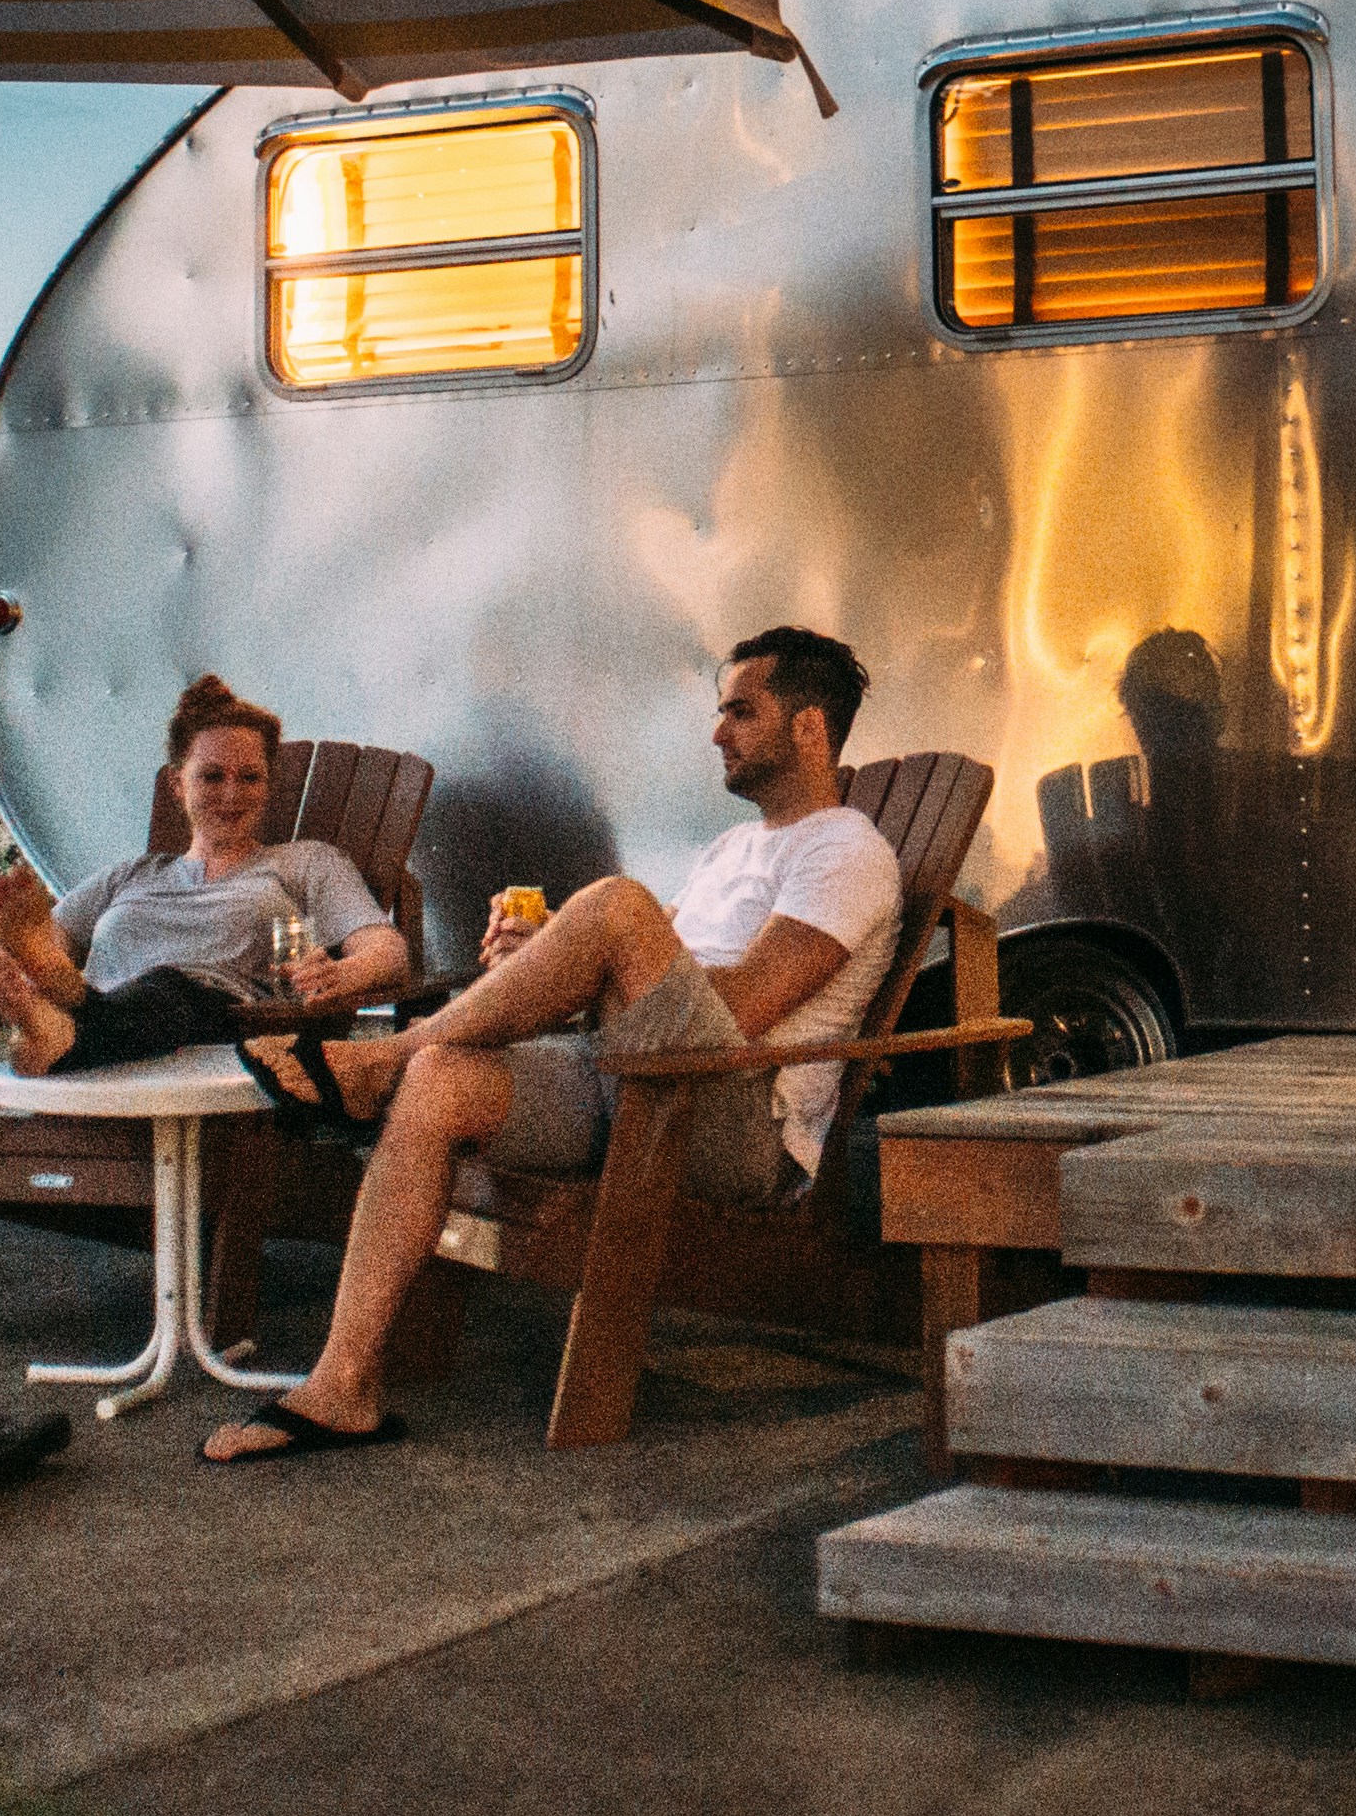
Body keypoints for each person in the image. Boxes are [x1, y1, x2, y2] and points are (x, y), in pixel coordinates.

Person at [198, 625, 904, 1463]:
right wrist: (540, 964)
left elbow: (743, 1009)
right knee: (442, 1076)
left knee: (612, 906)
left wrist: (596, 950)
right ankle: (343, 1384)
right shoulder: (732, 849)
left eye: (740, 712)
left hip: (734, 1118)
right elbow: (654, 977)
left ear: (810, 728)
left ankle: (376, 1059)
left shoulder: (847, 849)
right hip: (635, 1076)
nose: (717, 732)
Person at [0, 676, 409, 1082]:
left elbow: (387, 950)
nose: (233, 794)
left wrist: (347, 974)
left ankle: (64, 1015)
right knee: (69, 969)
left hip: (215, 1038)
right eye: (212, 776)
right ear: (178, 785)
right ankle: (65, 1014)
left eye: (251, 777)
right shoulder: (131, 876)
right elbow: (16, 949)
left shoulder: (305, 863)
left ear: (270, 786)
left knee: (168, 985)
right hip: (105, 1048)